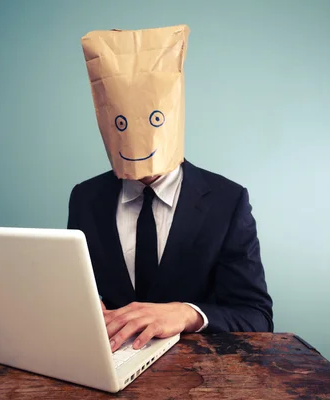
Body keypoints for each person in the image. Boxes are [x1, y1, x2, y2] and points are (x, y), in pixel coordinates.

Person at [70, 24, 272, 353]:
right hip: (110, 365)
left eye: (153, 119)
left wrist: (187, 313)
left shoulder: (228, 201)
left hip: (200, 374)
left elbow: (257, 316)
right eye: (120, 122)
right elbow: (77, 293)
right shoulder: (85, 198)